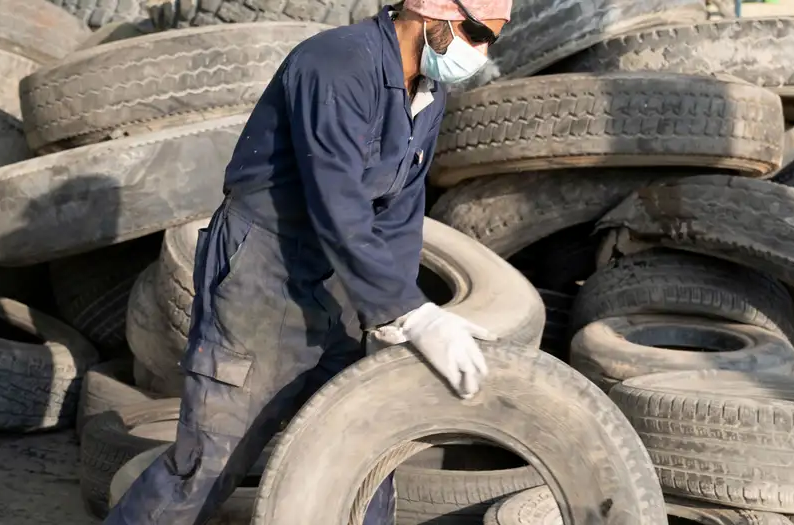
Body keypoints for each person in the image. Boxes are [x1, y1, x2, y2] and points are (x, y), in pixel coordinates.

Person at [104, 0, 511, 523]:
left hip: (343, 279)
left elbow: (402, 210)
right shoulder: (336, 63)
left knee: (360, 457)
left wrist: (400, 314)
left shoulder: (430, 94)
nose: (478, 52)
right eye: (475, 32)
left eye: (491, 40)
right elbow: (336, 199)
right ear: (428, 10)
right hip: (263, 270)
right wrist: (410, 311)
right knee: (210, 461)